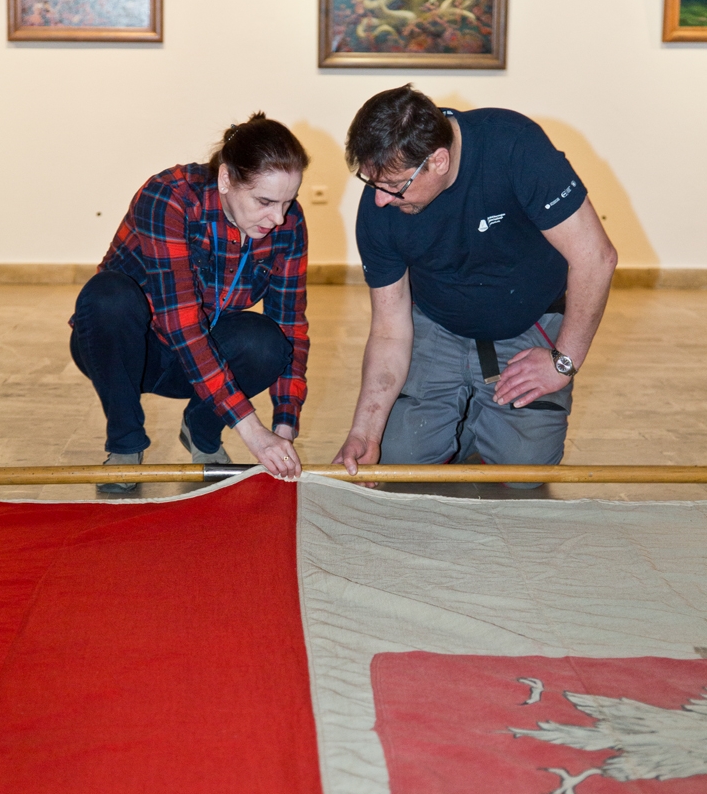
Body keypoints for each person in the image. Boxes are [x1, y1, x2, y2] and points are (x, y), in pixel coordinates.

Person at [334, 85, 618, 487]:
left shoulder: (515, 146)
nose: (380, 200)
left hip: (526, 322)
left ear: (438, 160)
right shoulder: (380, 206)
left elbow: (596, 258)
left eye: (394, 185)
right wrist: (365, 431)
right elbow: (388, 328)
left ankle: (478, 422)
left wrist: (563, 361)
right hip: (437, 325)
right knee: (398, 460)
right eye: (372, 182)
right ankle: (462, 420)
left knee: (523, 472)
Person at [71, 113, 309, 491]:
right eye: (265, 201)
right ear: (226, 178)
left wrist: (284, 427)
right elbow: (180, 321)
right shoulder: (169, 196)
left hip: (199, 364)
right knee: (108, 296)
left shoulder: (288, 223)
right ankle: (125, 443)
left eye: (288, 201)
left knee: (269, 341)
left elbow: (291, 324)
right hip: (131, 350)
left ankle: (201, 432)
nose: (277, 218)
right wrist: (250, 428)